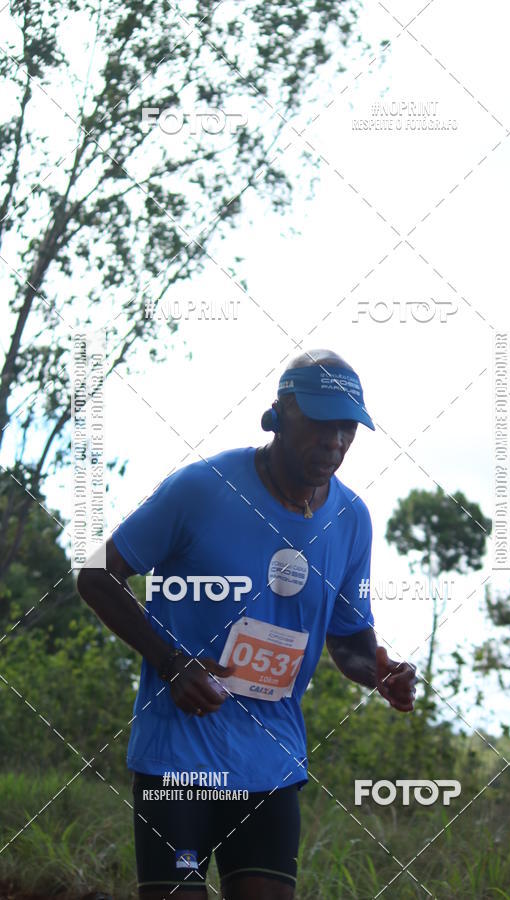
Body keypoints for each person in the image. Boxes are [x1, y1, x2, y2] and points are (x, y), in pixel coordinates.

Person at [77, 349, 417, 900]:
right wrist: (171, 662)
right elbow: (95, 577)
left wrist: (377, 671)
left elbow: (351, 639)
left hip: (272, 764)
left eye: (346, 427)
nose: (334, 442)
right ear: (279, 414)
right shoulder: (201, 489)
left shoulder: (352, 518)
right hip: (180, 761)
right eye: (319, 422)